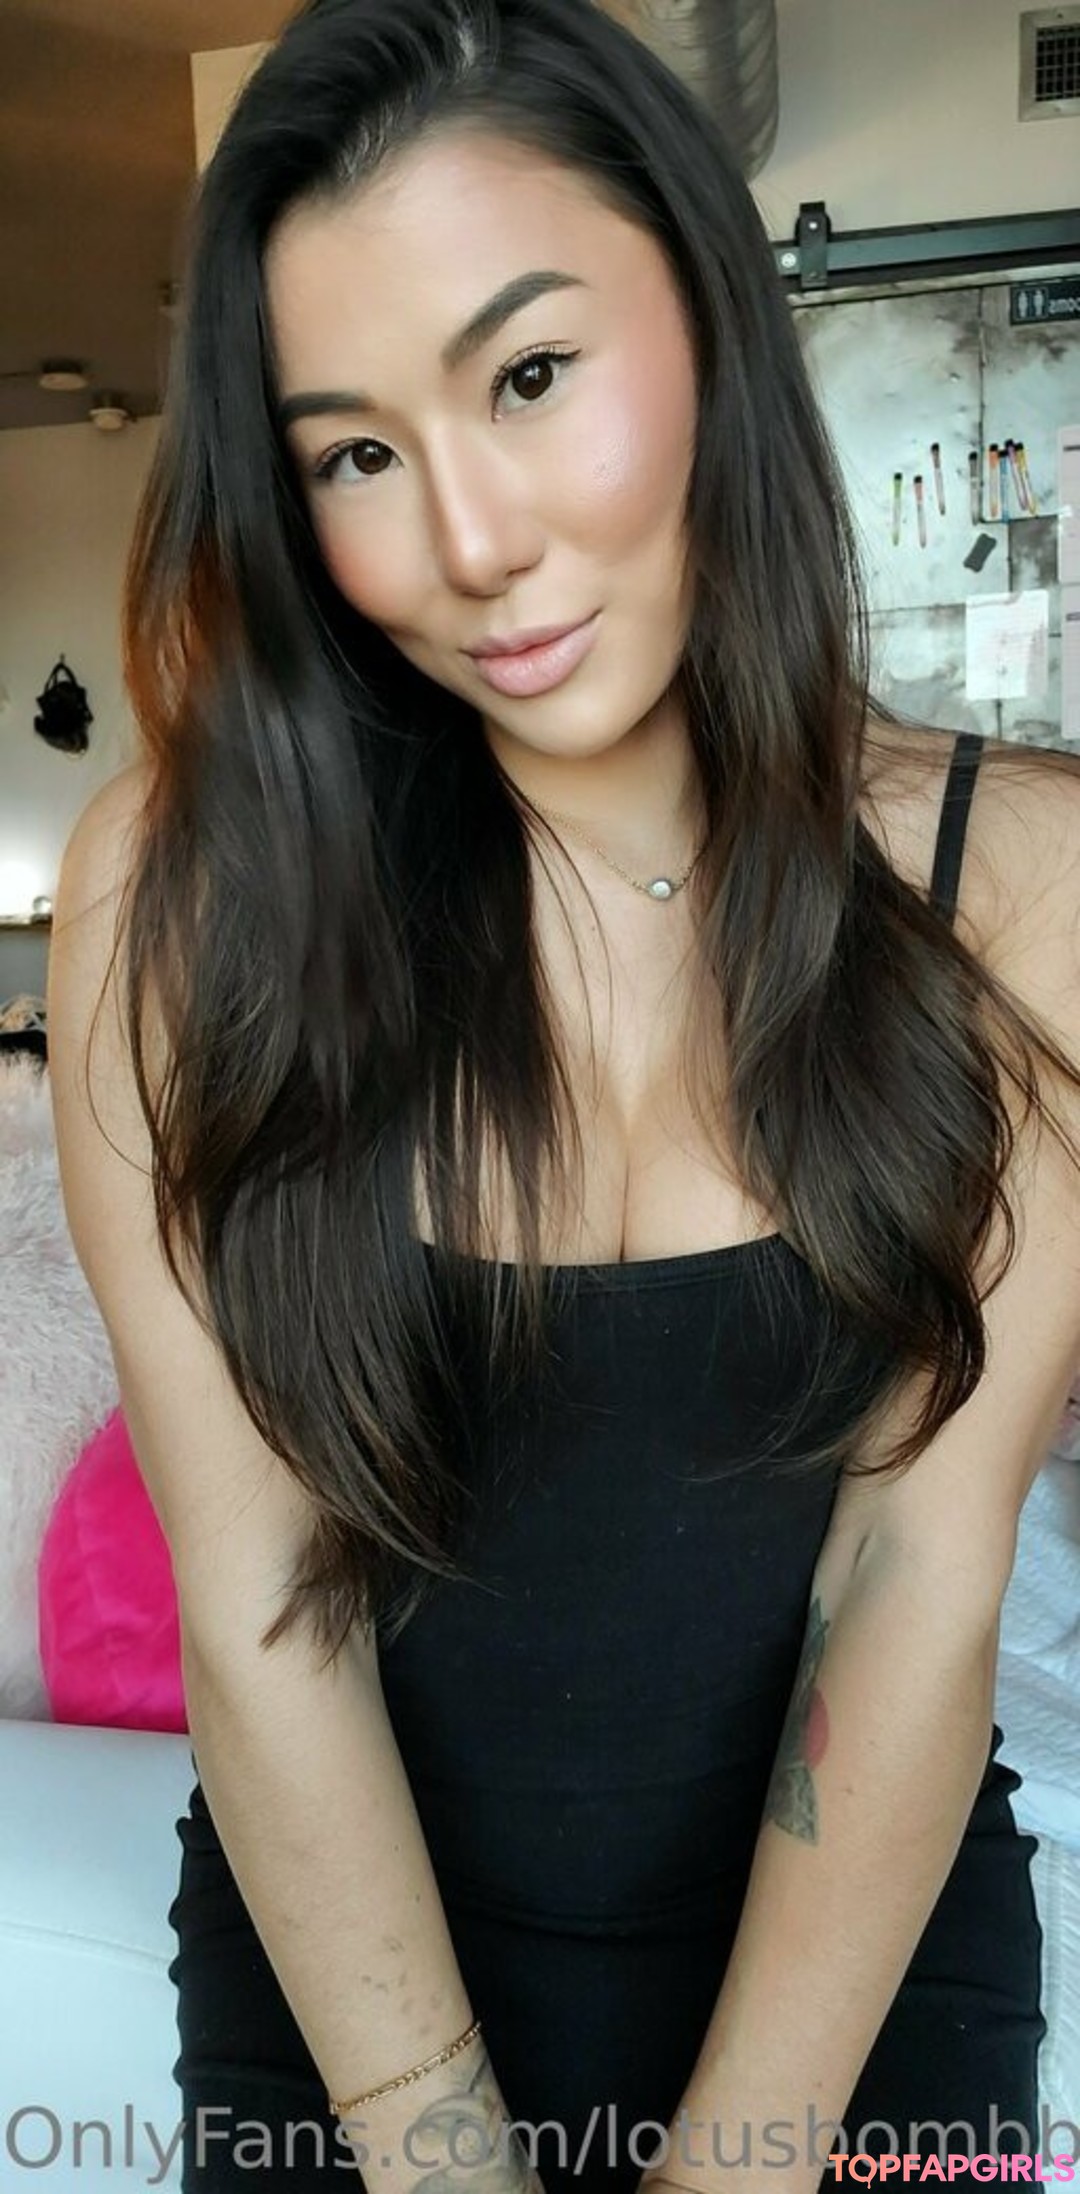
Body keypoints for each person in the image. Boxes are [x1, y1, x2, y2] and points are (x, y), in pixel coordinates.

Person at [46, 1, 1080, 2189]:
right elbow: (260, 1596)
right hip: (348, 2003)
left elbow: (916, 1567)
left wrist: (735, 2166)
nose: (472, 540)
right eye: (354, 453)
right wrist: (442, 2159)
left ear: (704, 315)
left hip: (861, 1993)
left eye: (528, 376)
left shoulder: (1018, 886)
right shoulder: (187, 894)